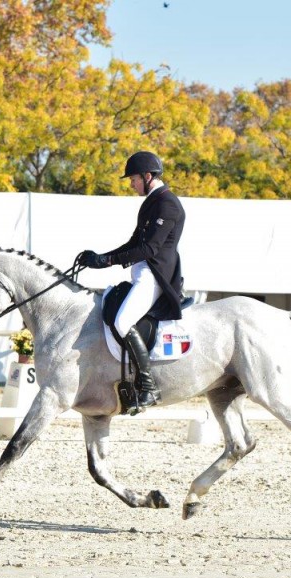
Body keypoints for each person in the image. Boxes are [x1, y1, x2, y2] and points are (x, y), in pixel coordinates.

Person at [77, 151, 185, 413]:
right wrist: (100, 258)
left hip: (156, 276)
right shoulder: (150, 202)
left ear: (148, 177)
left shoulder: (167, 204)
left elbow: (149, 249)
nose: (131, 184)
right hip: (140, 273)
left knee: (122, 321)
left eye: (134, 179)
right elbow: (133, 243)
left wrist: (108, 261)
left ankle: (148, 386)